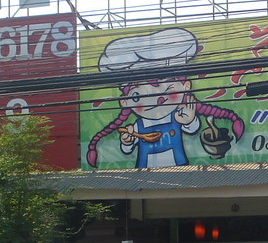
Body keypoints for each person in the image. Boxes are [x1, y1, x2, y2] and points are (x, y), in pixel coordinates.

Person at [86, 27, 243, 169]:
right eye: (137, 95)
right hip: (143, 173)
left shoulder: (178, 116)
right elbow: (128, 148)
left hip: (181, 169)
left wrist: (189, 121)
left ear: (186, 86)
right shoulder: (137, 127)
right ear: (124, 102)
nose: (157, 99)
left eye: (168, 86)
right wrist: (127, 141)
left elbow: (192, 128)